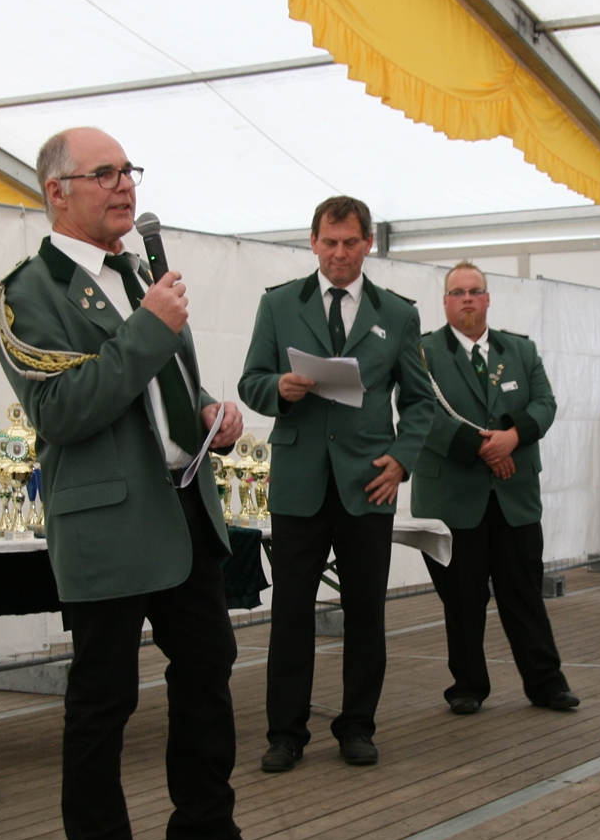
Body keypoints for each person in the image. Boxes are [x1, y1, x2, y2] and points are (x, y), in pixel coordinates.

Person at [0, 127, 287, 840]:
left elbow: (167, 388)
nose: (124, 185)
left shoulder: (137, 275)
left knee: (207, 679)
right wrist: (150, 326)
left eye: (129, 171)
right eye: (105, 173)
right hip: (109, 522)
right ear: (57, 191)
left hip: (185, 508)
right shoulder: (25, 295)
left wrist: (210, 415)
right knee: (104, 701)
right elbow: (63, 410)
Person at [239, 195, 434, 773]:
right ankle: (285, 734)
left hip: (369, 483)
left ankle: (357, 726)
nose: (339, 253)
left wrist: (402, 460)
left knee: (366, 612)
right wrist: (279, 388)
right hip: (298, 482)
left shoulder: (397, 313)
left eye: (351, 242)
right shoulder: (278, 304)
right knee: (290, 613)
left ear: (368, 243)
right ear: (313, 242)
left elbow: (420, 402)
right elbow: (251, 382)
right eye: (329, 242)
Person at [411, 262, 580, 715]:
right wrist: (485, 449)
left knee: (524, 594)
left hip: (513, 497)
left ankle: (546, 684)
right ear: (445, 302)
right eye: (457, 292)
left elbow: (545, 403)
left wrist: (513, 436)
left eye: (475, 291)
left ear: (487, 299)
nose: (467, 298)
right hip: (453, 497)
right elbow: (420, 412)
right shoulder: (423, 352)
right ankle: (467, 686)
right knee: (462, 599)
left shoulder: (520, 350)